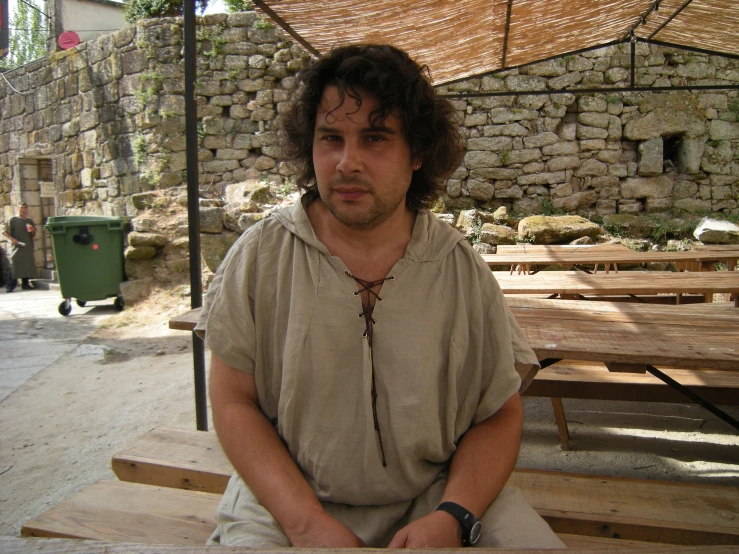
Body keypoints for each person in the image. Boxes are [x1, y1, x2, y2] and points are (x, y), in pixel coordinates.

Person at [197, 44, 565, 549]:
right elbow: (233, 400)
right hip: (286, 499)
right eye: (331, 138)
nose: (347, 162)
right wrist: (305, 524)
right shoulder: (260, 256)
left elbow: (498, 412)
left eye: (374, 139)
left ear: (417, 153)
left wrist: (454, 516)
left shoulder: (459, 269)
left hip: (434, 494)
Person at [3, 202, 38, 292]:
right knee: (14, 264)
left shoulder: (29, 220)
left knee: (27, 264)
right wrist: (12, 239)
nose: (23, 209)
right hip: (17, 246)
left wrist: (32, 230)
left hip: (27, 245)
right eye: (21, 208)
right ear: (18, 208)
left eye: (24, 208)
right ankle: (10, 285)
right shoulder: (12, 219)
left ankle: (25, 284)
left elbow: (33, 234)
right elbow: (5, 231)